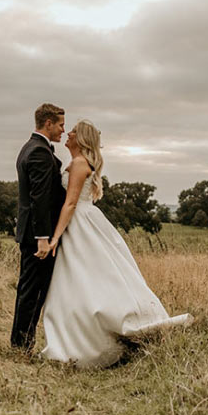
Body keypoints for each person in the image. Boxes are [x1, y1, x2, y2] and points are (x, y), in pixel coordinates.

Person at [40, 119, 193, 368]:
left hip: (79, 223)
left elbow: (70, 204)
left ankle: (89, 338)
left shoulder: (79, 164)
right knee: (80, 279)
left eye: (74, 131)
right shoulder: (77, 162)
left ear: (82, 139)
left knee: (85, 277)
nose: (68, 133)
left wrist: (55, 236)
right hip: (83, 220)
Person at [10, 102, 67, 352]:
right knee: (32, 292)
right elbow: (39, 199)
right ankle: (22, 346)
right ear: (48, 123)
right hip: (37, 237)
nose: (63, 130)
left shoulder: (30, 148)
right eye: (61, 125)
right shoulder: (39, 153)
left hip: (32, 233)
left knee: (29, 290)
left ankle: (21, 343)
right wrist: (43, 238)